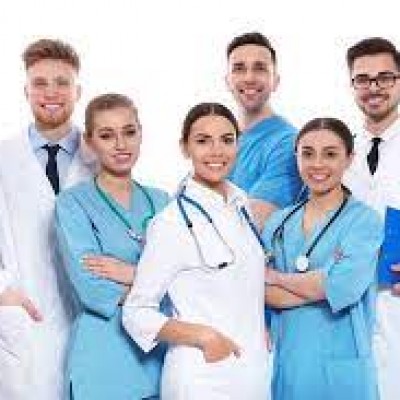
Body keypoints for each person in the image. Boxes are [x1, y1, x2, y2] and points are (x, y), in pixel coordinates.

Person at [123, 102, 270, 400]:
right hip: (202, 378)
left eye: (227, 140)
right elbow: (136, 311)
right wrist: (205, 337)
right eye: (203, 141)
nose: (217, 151)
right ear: (185, 147)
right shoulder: (171, 223)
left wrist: (258, 327)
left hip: (252, 374)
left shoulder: (241, 205)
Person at [55, 93, 168, 399]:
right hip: (103, 363)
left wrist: (131, 274)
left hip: (159, 360)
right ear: (89, 142)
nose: (121, 144)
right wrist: (157, 285)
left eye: (129, 132)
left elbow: (188, 281)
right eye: (107, 135)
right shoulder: (73, 204)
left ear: (141, 134)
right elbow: (91, 288)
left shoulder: (163, 202)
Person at [0, 39, 94, 399]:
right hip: (24, 325)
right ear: (25, 91)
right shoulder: (4, 158)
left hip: (90, 327)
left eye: (62, 83)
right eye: (40, 83)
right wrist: (3, 292)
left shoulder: (101, 156)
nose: (51, 93)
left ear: (78, 91)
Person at [263, 117, 382, 400]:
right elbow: (262, 292)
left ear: (349, 159)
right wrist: (320, 282)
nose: (317, 164)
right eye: (307, 153)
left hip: (342, 369)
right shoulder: (278, 223)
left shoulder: (365, 221)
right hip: (289, 364)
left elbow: (342, 287)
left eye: (330, 154)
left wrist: (277, 277)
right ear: (296, 157)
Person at [343, 37, 400, 400]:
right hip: (350, 307)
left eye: (385, 77)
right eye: (363, 79)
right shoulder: (338, 152)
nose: (373, 88)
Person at [225, 32, 302, 227]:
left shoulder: (287, 143)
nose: (249, 78)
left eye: (259, 68)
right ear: (227, 81)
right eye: (239, 68)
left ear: (275, 81)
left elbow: (251, 226)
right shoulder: (219, 139)